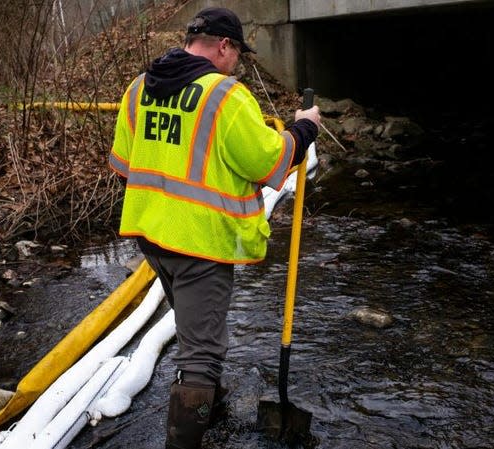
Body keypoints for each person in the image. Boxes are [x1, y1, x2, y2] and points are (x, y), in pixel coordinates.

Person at [109, 6, 320, 448]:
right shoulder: (224, 95)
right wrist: (303, 130)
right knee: (202, 352)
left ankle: (209, 400)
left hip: (151, 236)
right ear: (223, 46)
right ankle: (190, 424)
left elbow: (124, 165)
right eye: (237, 53)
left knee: (192, 331)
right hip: (200, 244)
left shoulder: (138, 87)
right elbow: (268, 161)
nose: (237, 63)